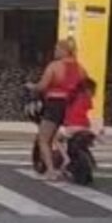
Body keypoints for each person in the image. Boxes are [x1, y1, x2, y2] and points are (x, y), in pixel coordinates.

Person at [26, 38, 87, 181]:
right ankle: (66, 161)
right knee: (66, 136)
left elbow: (42, 86)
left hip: (55, 105)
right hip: (73, 105)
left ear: (64, 50)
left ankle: (51, 171)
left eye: (57, 49)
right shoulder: (80, 68)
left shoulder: (54, 66)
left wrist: (32, 87)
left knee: (44, 138)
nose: (55, 51)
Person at [55, 78, 103, 172]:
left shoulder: (70, 97)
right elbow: (87, 110)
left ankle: (65, 158)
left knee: (56, 138)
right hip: (85, 127)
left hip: (71, 127)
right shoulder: (87, 99)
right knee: (84, 142)